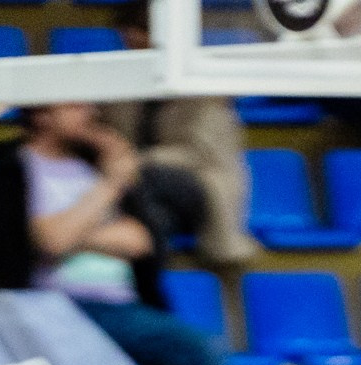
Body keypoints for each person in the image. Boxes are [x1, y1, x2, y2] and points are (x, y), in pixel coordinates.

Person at [0, 101, 219, 365]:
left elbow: (140, 240)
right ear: (41, 114)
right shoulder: (13, 165)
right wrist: (111, 185)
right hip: (54, 303)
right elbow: (46, 241)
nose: (90, 112)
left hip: (123, 304)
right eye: (75, 105)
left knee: (202, 353)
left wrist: (70, 231)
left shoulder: (96, 163)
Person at [101, 1, 257, 270]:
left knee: (150, 180)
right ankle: (145, 286)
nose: (132, 38)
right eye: (128, 30)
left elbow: (201, 154)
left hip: (201, 185)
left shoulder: (204, 91)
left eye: (141, 30)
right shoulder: (120, 85)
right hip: (140, 187)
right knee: (154, 216)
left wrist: (138, 160)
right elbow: (108, 134)